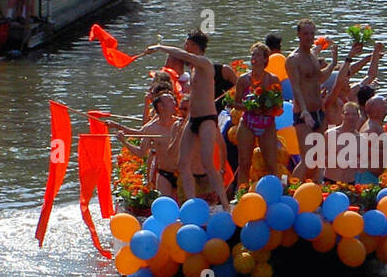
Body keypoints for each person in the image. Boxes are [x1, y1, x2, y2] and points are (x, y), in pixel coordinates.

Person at [142, 32, 231, 210]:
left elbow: (183, 55)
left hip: (207, 118)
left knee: (207, 161)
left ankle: (226, 204)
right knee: (183, 163)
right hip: (193, 118)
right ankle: (192, 204)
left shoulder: (204, 63)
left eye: (187, 44)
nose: (184, 47)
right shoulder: (193, 69)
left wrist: (160, 47)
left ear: (194, 45)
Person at [286, 19, 336, 180]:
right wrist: (305, 111)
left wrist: (333, 63)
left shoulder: (313, 56)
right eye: (306, 33)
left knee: (319, 158)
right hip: (303, 114)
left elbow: (319, 78)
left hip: (319, 112)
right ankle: (292, 191)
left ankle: (315, 192)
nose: (309, 37)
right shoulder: (293, 59)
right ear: (299, 35)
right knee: (307, 159)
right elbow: (296, 87)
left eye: (312, 33)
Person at [232, 42, 282, 188]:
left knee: (271, 164)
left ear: (265, 59)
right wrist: (250, 108)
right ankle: (241, 193)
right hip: (248, 122)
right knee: (244, 163)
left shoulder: (273, 79)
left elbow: (279, 105)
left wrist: (267, 109)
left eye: (258, 55)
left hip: (267, 124)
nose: (254, 57)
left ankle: (274, 192)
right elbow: (235, 104)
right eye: (252, 54)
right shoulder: (243, 79)